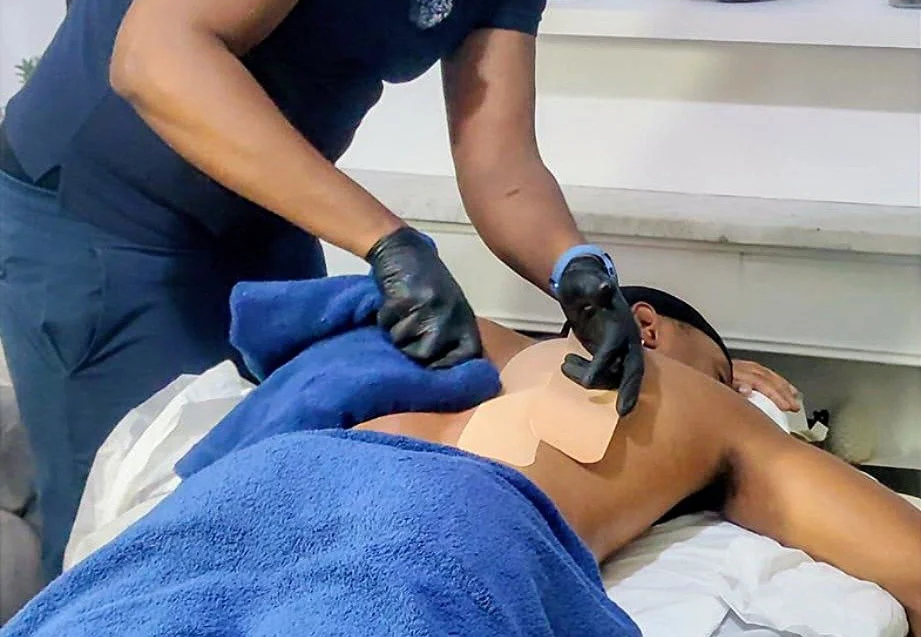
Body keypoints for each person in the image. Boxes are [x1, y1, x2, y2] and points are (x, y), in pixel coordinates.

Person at [0, 0, 702, 576]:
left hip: (257, 221)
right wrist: (386, 240)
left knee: (265, 502)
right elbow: (159, 54)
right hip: (103, 220)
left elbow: (501, 163)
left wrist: (577, 272)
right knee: (134, 541)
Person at [5, 285, 920, 636]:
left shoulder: (479, 346)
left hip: (263, 488)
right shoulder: (698, 401)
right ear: (646, 326)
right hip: (428, 526)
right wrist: (745, 397)